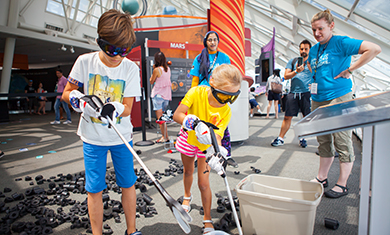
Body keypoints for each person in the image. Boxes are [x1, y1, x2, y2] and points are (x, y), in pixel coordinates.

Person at [62, 9, 142, 235]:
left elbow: (127, 108)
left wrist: (116, 108)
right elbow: (67, 92)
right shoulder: (84, 62)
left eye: (124, 50)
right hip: (92, 138)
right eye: (112, 49)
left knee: (128, 183)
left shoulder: (130, 68)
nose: (117, 56)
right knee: (94, 188)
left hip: (121, 138)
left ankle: (132, 230)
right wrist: (77, 100)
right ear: (99, 41)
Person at [308, 9, 381, 198]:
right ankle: (321, 177)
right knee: (323, 139)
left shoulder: (341, 42)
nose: (317, 34)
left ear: (331, 26)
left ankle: (343, 183)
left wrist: (351, 68)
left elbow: (374, 49)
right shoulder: (315, 49)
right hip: (318, 98)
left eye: (321, 29)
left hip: (339, 95)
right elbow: (313, 67)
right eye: (314, 30)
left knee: (341, 137)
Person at [173, 64, 242, 234]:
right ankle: (187, 198)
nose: (226, 102)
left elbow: (218, 135)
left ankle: (207, 219)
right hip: (188, 139)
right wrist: (192, 123)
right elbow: (177, 114)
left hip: (206, 147)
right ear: (212, 83)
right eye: (223, 95)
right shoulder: (196, 93)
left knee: (204, 183)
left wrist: (217, 151)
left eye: (232, 98)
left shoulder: (225, 111)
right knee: (188, 171)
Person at [189, 30, 238, 168]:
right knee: (200, 126)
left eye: (215, 39)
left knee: (222, 128)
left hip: (219, 97)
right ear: (206, 42)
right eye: (210, 40)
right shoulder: (199, 58)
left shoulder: (224, 58)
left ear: (218, 41)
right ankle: (200, 155)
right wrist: (191, 99)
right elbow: (195, 80)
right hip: (202, 96)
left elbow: (229, 78)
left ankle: (225, 155)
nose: (212, 42)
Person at [271, 40, 312, 147]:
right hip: (293, 93)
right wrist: (296, 71)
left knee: (306, 117)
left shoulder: (312, 62)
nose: (303, 51)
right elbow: (286, 76)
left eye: (306, 49)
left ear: (310, 50)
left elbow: (317, 75)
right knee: (287, 117)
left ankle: (302, 137)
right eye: (301, 49)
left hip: (306, 93)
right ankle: (280, 138)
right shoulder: (293, 62)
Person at [149, 51, 172, 143]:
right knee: (164, 118)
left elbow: (151, 81)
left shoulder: (156, 70)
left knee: (160, 119)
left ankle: (164, 137)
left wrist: (153, 70)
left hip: (158, 95)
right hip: (166, 95)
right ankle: (165, 136)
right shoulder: (168, 69)